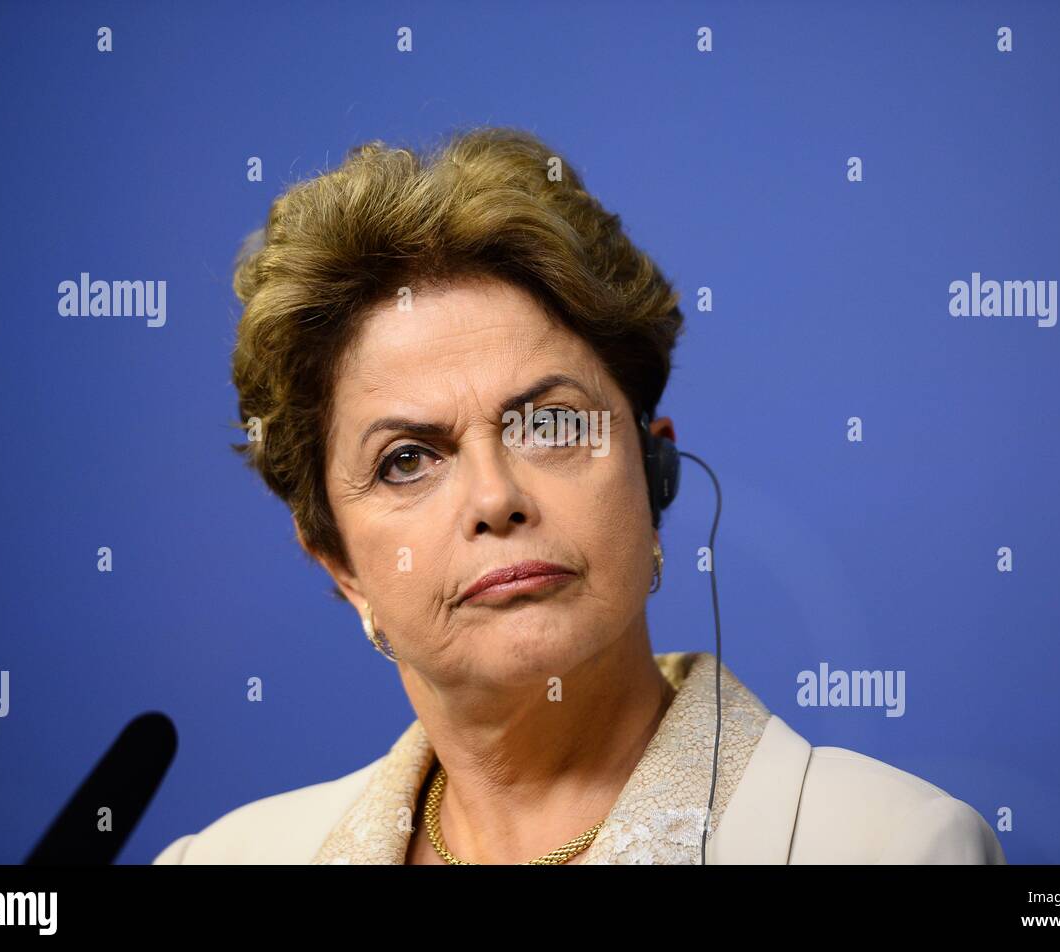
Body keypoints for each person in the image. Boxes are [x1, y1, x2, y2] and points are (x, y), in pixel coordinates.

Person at [153, 127, 1006, 865]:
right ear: (340, 562)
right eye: (408, 459)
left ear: (652, 472)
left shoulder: (892, 845)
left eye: (552, 426)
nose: (496, 497)